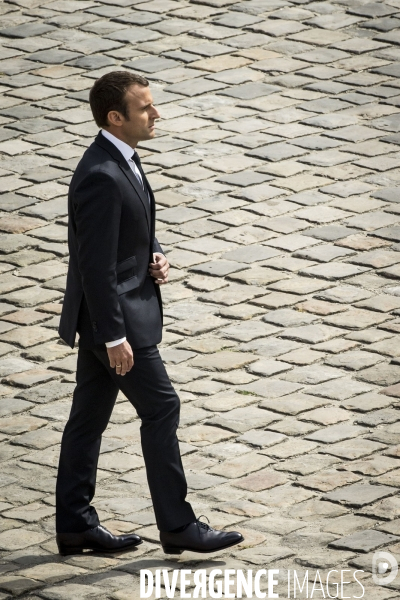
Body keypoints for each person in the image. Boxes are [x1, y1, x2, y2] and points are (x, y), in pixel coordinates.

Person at [55, 71, 244, 556]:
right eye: (145, 108)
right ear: (116, 118)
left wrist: (152, 254)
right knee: (162, 407)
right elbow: (93, 266)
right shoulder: (100, 174)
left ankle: (75, 524)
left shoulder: (121, 160)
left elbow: (128, 228)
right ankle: (177, 526)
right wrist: (114, 336)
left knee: (88, 417)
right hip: (114, 320)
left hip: (111, 315)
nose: (156, 113)